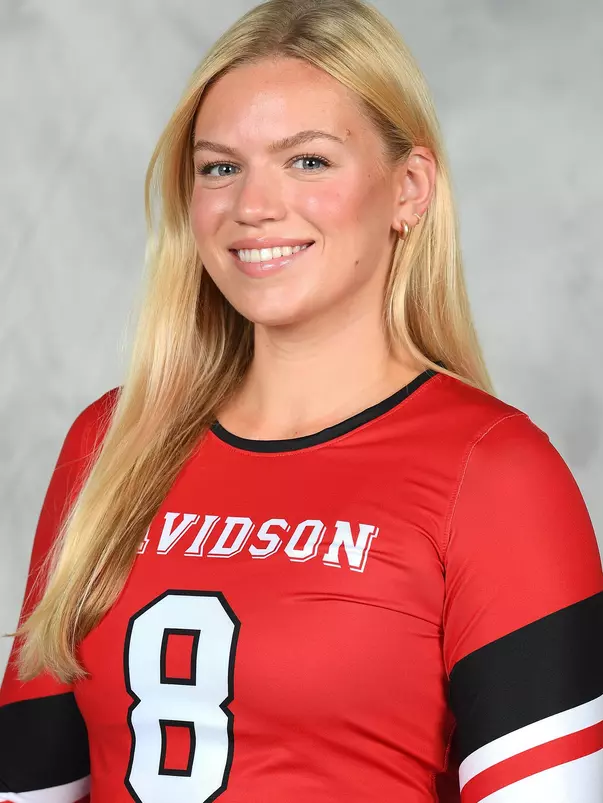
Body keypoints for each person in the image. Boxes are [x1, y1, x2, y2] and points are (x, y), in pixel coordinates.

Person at [1, 0, 602, 800]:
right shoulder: (111, 441)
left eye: (308, 161)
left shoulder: (495, 476)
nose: (253, 206)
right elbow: (30, 785)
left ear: (408, 190)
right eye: (220, 166)